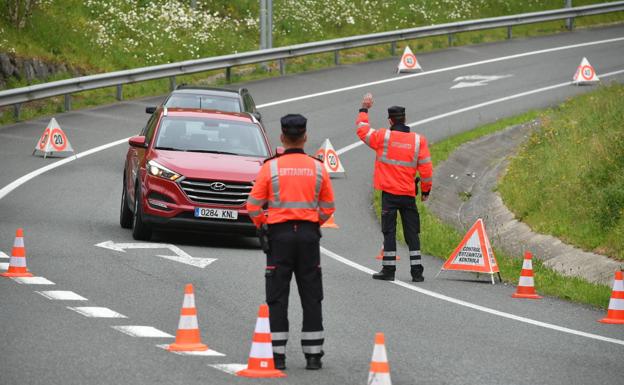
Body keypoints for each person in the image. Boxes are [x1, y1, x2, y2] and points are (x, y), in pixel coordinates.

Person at [246, 114, 335, 371]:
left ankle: (278, 355)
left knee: (277, 295)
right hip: (308, 236)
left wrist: (264, 222)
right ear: (305, 137)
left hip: (279, 236)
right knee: (311, 294)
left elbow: (252, 205)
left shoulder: (270, 167)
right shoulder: (318, 167)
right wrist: (312, 221)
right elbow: (329, 207)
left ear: (282, 138)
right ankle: (314, 355)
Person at [355, 93, 433, 282]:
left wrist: (364, 109)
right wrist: (425, 190)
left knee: (389, 231)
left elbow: (362, 131)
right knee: (412, 232)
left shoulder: (383, 137)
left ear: (390, 121)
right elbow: (426, 168)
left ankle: (389, 270)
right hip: (407, 194)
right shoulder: (418, 140)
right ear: (405, 119)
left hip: (389, 194)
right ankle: (417, 272)